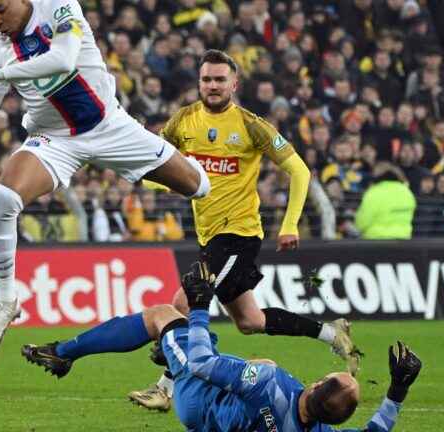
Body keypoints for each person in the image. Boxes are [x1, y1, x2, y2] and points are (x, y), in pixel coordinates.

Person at [0, 0, 211, 355]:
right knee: (4, 199)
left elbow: (63, 59)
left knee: (200, 186)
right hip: (55, 139)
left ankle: (158, 179)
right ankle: (7, 298)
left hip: (110, 127)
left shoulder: (58, 6)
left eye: (0, 10)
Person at [127, 49, 361, 412]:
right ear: (199, 82)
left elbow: (299, 171)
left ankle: (165, 390)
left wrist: (289, 224)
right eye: (207, 79)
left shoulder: (252, 125)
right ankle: (332, 333)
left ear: (234, 83)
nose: (213, 85)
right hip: (209, 236)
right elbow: (159, 167)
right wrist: (147, 179)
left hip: (239, 233)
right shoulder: (182, 121)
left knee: (183, 302)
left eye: (220, 79)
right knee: (251, 321)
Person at [22, 261, 422, 431]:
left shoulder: (269, 382)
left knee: (165, 316)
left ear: (316, 387)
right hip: (219, 419)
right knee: (244, 351)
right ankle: (166, 371)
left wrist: (199, 307)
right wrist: (397, 391)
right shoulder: (316, 427)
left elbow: (201, 364)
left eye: (327, 377)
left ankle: (65, 353)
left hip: (198, 398)